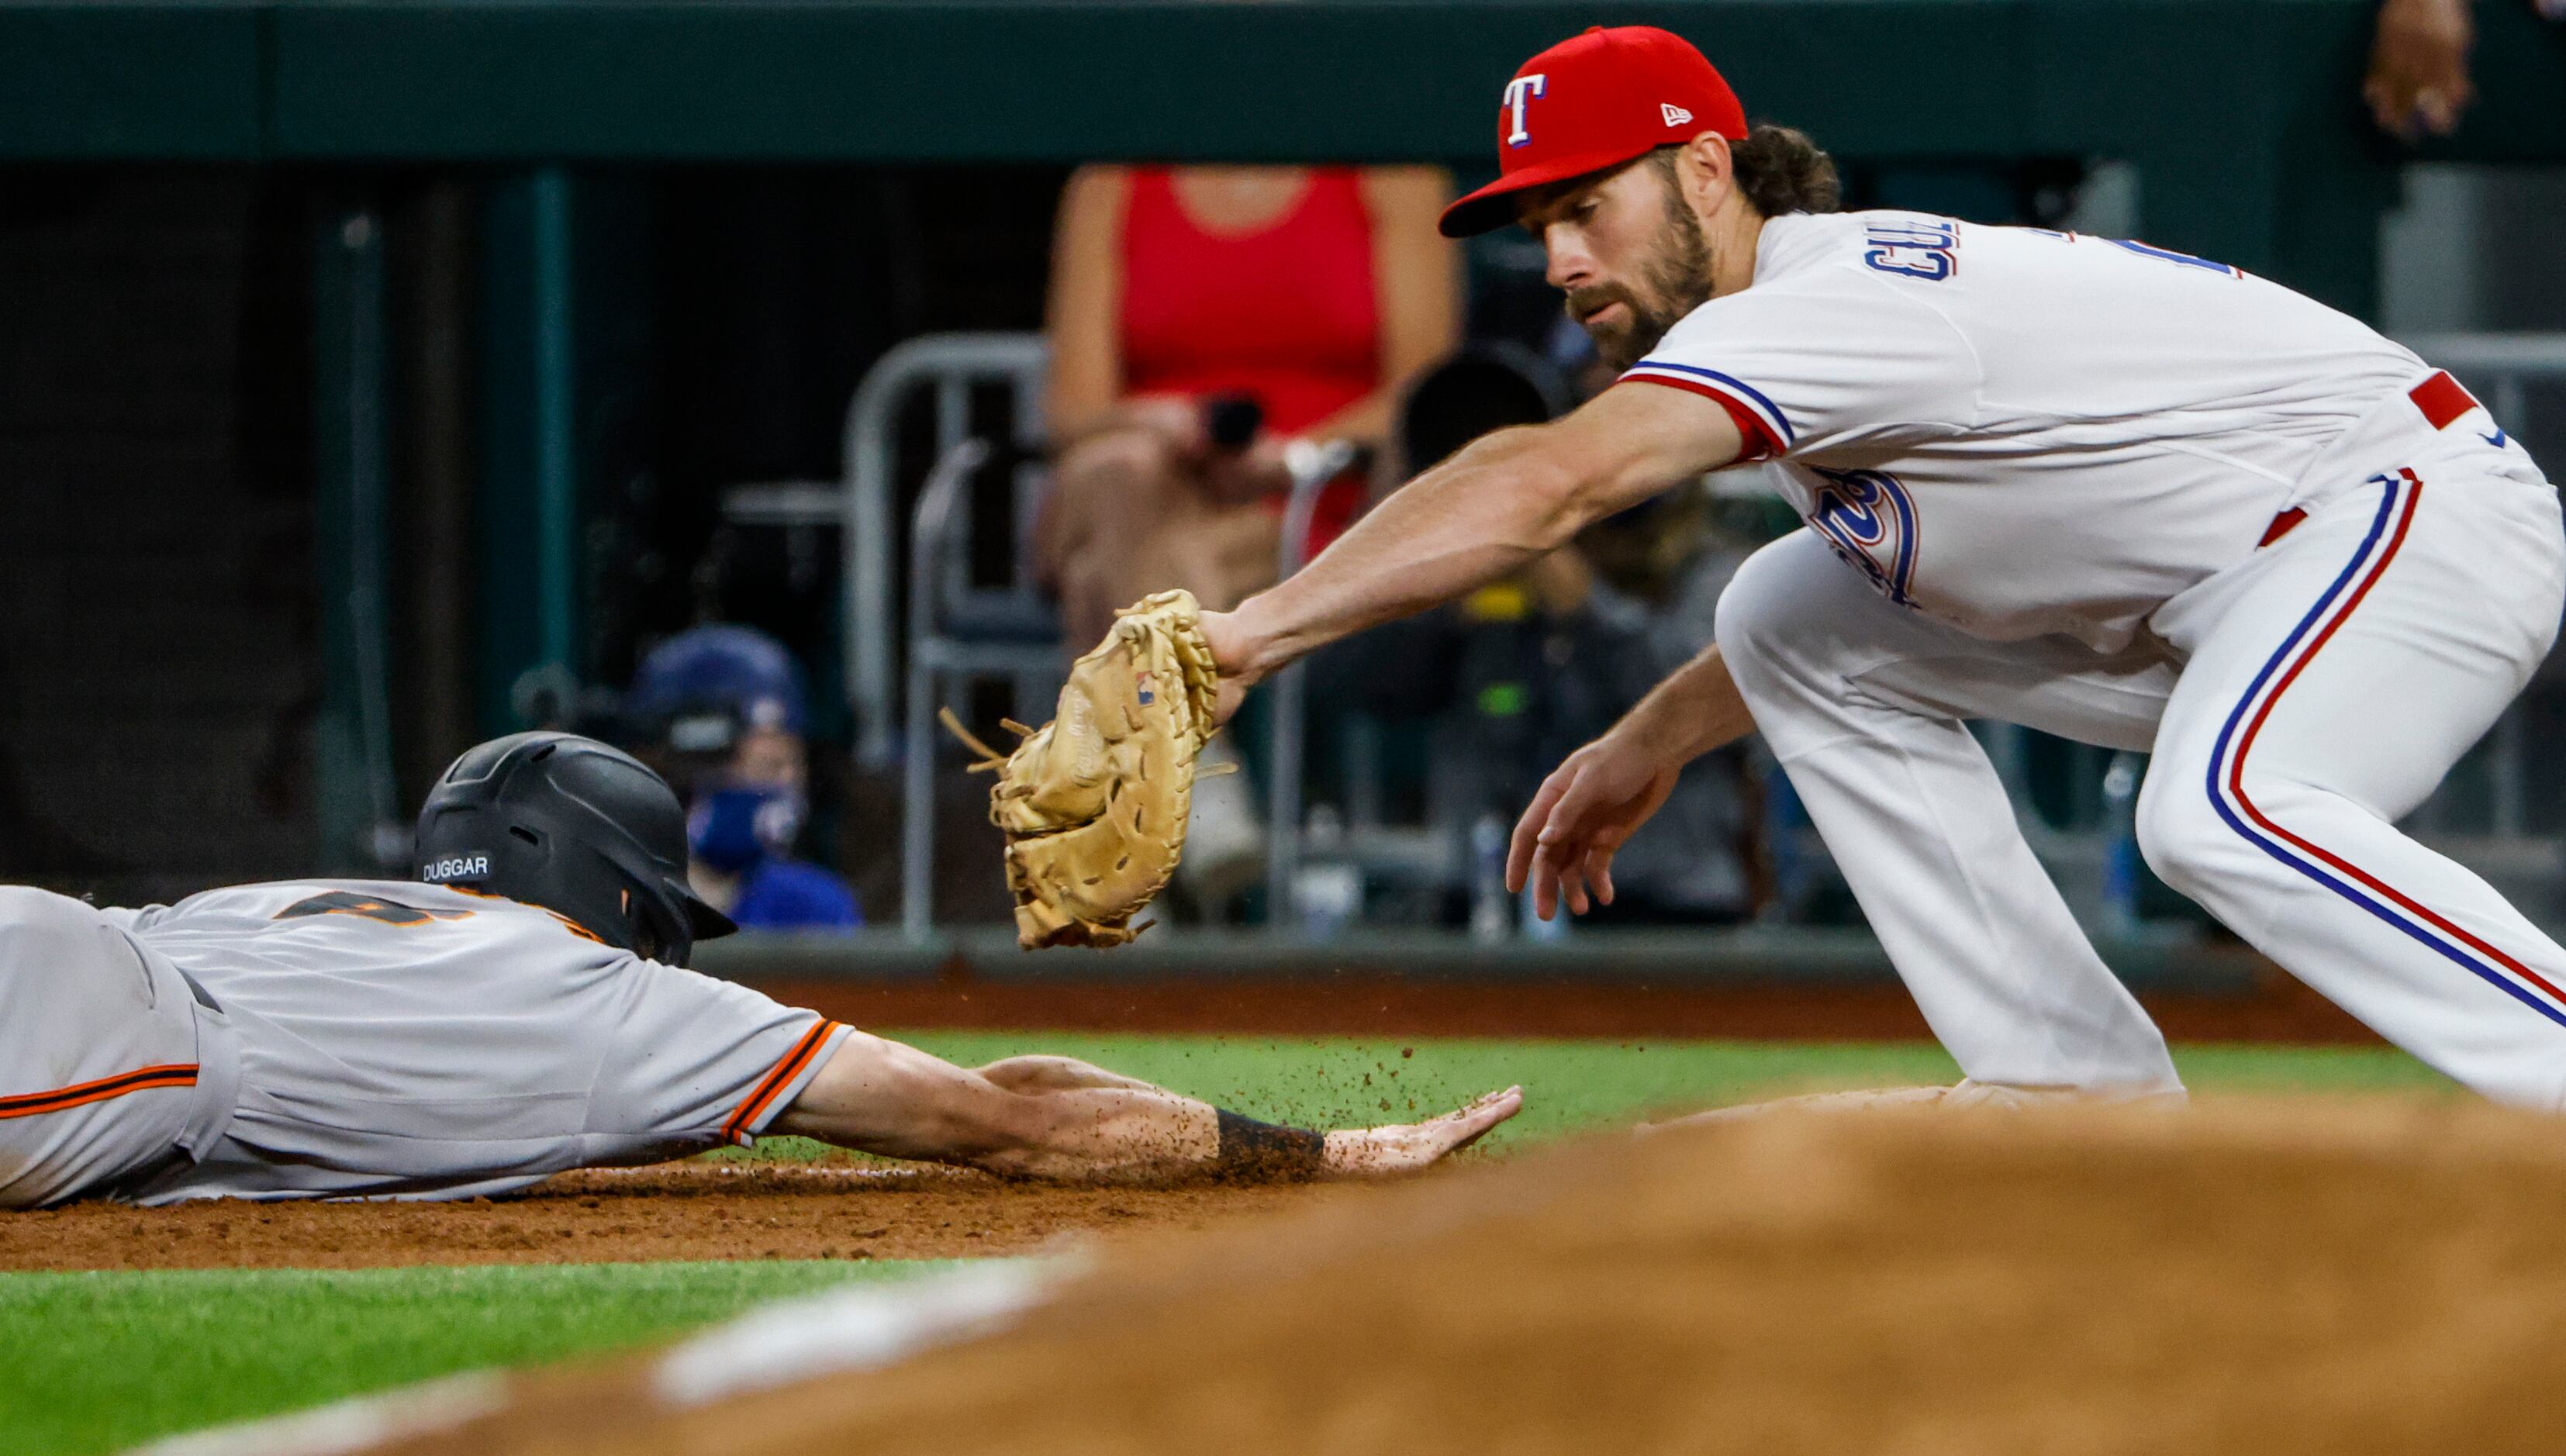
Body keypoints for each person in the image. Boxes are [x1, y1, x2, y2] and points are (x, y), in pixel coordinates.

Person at [1197, 26, 2566, 1110]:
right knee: (1781, 610)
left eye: (1584, 207)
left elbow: (1551, 479)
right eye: (1534, 226)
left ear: (1702, 172)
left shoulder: (1827, 304)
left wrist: (1243, 635)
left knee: (2219, 812)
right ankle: (2067, 1081)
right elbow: (1780, 610)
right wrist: (1649, 735)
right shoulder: (1792, 316)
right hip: (2234, 581)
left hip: (2407, 516)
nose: (1556, 259)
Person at [0, 733, 1518, 1208]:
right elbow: (1007, 1119)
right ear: (609, 888)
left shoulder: (334, 916)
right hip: (103, 1043)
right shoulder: (607, 1002)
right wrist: (1320, 1153)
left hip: (77, 960)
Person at [1034, 164, 1462, 650]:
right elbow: (1073, 409)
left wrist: (1288, 458)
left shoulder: (1394, 176)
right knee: (1125, 468)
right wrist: (1161, 425)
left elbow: (1422, 392)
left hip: (1314, 497)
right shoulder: (1110, 183)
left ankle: (1144, 719)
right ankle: (1186, 717)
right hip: (1146, 478)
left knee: (1105, 573)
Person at [624, 624, 861, 933]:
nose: (786, 784)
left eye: (792, 765)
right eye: (767, 766)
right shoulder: (621, 903)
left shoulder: (812, 905)